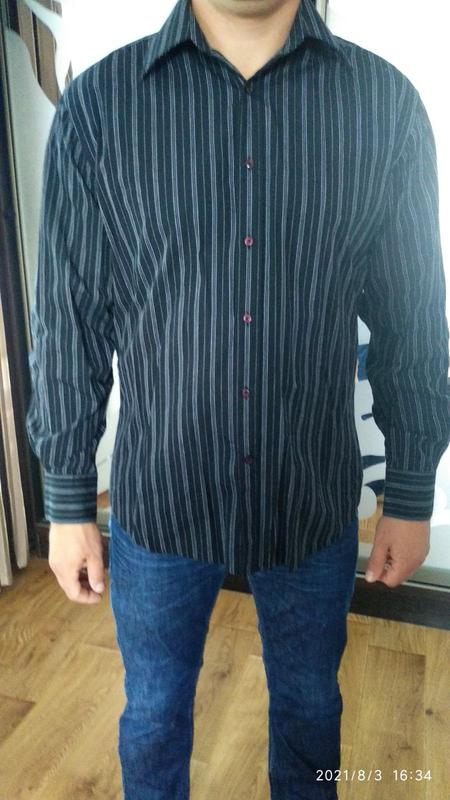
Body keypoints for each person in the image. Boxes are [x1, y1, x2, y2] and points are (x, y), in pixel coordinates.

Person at [25, 0, 450, 797]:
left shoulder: (383, 107)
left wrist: (411, 490)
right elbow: (70, 317)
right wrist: (69, 499)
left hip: (309, 496)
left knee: (311, 710)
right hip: (162, 499)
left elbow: (413, 317)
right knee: (153, 715)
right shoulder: (101, 106)